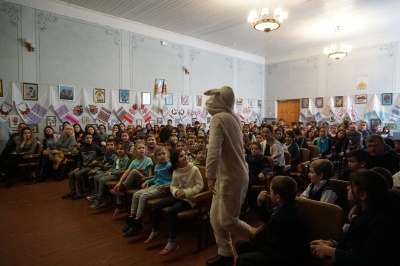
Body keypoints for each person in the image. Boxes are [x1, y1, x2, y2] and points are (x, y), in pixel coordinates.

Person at [203, 86, 253, 266]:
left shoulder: (219, 118)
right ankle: (225, 253)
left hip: (231, 176)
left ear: (219, 100)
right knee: (215, 218)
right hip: (229, 174)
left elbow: (214, 150)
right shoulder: (233, 116)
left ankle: (261, 239)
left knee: (228, 221)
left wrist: (210, 177)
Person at [310, 170, 397, 265]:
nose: (347, 187)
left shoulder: (381, 223)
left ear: (363, 195)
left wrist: (331, 252)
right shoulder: (357, 209)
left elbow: (368, 259)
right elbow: (350, 238)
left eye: (351, 186)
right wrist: (333, 243)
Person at [235, 176, 309, 266]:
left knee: (243, 260)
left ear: (277, 197)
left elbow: (274, 243)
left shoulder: (287, 216)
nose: (268, 193)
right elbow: (270, 220)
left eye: (270, 190)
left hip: (282, 255)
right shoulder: (286, 205)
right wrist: (260, 203)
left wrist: (258, 243)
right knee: (240, 245)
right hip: (275, 245)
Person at [144, 149, 204, 255]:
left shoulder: (194, 169)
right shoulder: (176, 171)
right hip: (178, 196)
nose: (185, 156)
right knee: (157, 206)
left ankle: (172, 242)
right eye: (182, 156)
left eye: (185, 154)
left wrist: (186, 193)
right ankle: (155, 231)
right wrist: (176, 192)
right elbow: (173, 185)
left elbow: (199, 186)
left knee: (172, 211)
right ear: (176, 162)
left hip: (190, 199)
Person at [123, 146, 172, 236]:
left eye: (164, 154)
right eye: (159, 154)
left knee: (143, 196)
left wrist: (164, 186)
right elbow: (155, 178)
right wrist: (147, 181)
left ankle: (138, 221)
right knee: (136, 194)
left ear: (168, 155)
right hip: (155, 186)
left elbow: (173, 181)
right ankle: (132, 217)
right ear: (156, 157)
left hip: (164, 189)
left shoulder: (169, 166)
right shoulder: (157, 166)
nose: (162, 156)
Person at [110, 142, 154, 216]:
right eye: (139, 148)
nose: (141, 150)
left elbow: (150, 174)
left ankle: (122, 189)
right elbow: (126, 172)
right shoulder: (134, 161)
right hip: (135, 181)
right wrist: (119, 183)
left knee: (133, 171)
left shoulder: (148, 159)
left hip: (143, 181)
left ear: (145, 150)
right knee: (117, 187)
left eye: (143, 148)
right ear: (135, 150)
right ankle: (119, 206)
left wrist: (147, 182)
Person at [61, 132, 103, 200]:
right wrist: (78, 167)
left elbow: (102, 155)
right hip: (84, 166)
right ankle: (73, 192)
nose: (89, 139)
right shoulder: (82, 148)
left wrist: (97, 160)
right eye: (87, 138)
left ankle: (81, 192)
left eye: (90, 138)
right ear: (83, 140)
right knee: (71, 174)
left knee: (78, 174)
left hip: (91, 167)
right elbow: (79, 159)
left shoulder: (96, 147)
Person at [89, 142, 130, 209]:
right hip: (112, 172)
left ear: (125, 150)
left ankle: (99, 199)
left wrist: (111, 173)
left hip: (118, 176)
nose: (119, 150)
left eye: (121, 149)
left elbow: (122, 170)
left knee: (102, 179)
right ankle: (96, 194)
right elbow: (113, 167)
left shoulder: (126, 159)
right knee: (96, 177)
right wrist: (108, 171)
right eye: (118, 149)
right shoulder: (116, 158)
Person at [245, 142, 271, 209]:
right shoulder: (248, 157)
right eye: (252, 149)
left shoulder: (262, 158)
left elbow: (267, 167)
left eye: (256, 149)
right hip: (248, 174)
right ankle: (243, 201)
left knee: (248, 182)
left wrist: (262, 172)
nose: (253, 150)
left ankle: (249, 201)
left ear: (260, 150)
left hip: (256, 176)